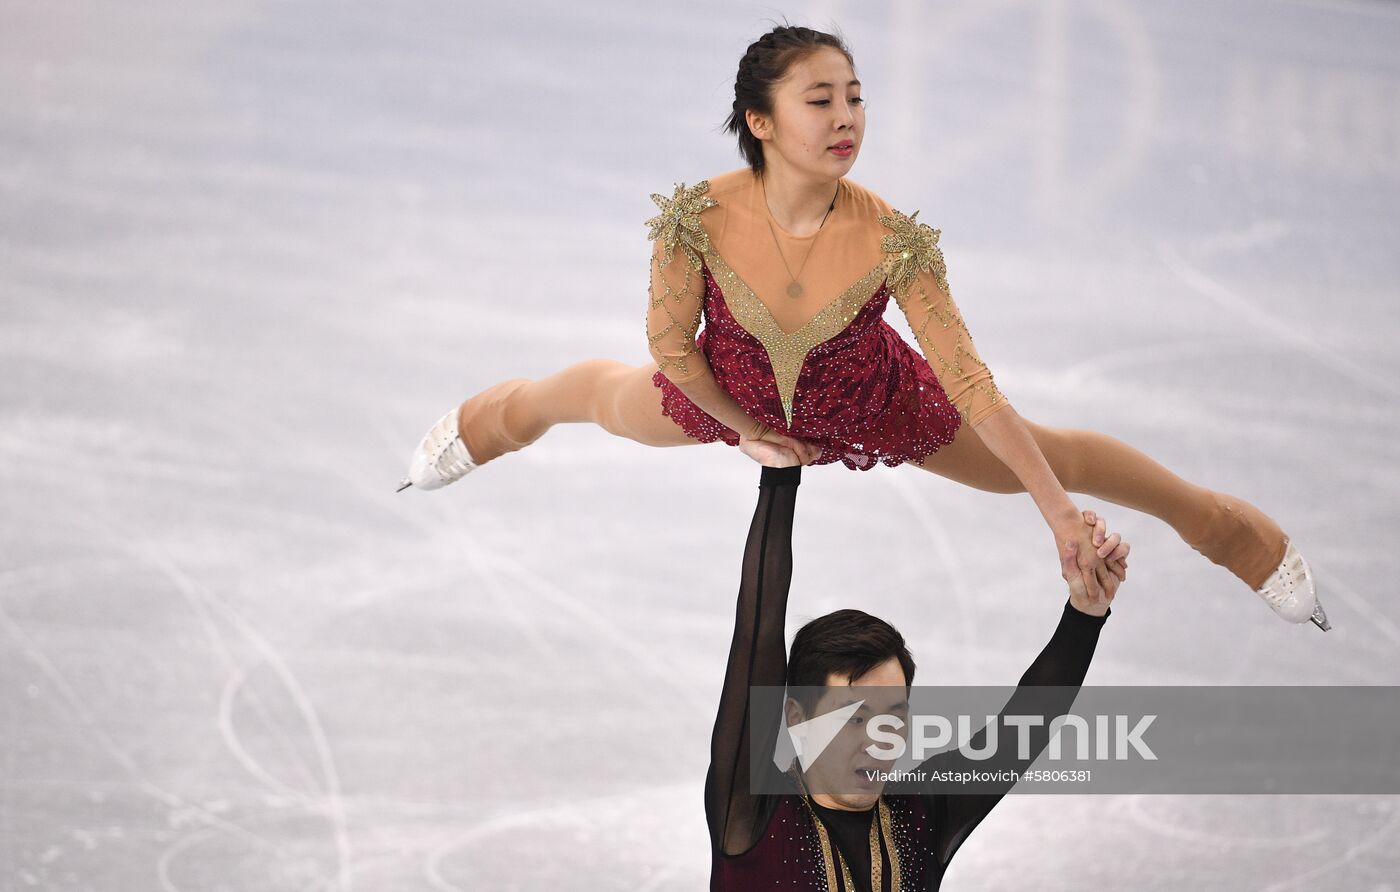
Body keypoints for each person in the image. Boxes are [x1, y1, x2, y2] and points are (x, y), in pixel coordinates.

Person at [396, 25, 1329, 631]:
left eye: (855, 96)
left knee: (1057, 457)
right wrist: (742, 425)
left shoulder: (893, 240)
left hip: (880, 402)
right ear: (760, 122)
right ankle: (488, 424)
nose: (847, 118)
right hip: (724, 393)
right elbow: (671, 349)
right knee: (590, 396)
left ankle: (1227, 531)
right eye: (820, 101)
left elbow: (971, 383)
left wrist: (1056, 516)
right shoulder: (697, 218)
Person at [707, 446, 1127, 890]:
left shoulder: (919, 815)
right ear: (797, 718)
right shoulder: (753, 809)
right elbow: (758, 632)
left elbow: (1023, 727)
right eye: (855, 718)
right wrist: (779, 478)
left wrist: (1086, 611)